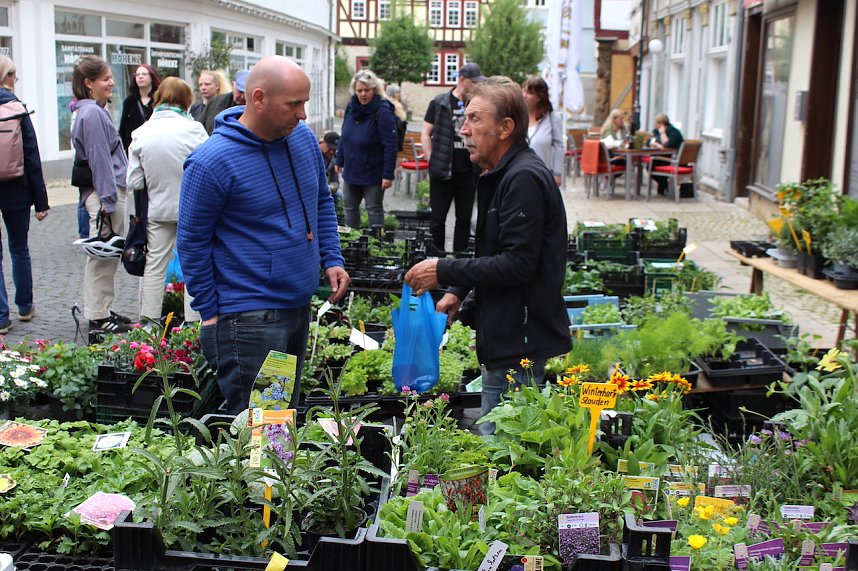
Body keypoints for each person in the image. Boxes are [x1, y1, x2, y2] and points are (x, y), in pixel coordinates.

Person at [177, 56, 350, 415]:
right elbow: (192, 242)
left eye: (304, 102)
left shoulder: (300, 139)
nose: (302, 114)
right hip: (251, 317)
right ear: (258, 98)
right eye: (293, 104)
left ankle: (274, 470)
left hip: (295, 306)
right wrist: (209, 315)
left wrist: (331, 257)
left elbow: (320, 199)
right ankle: (261, 473)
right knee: (263, 426)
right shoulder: (212, 161)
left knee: (278, 420)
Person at [404, 76, 571, 435]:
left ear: (505, 127)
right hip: (507, 333)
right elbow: (494, 251)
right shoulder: (502, 173)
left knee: (504, 450)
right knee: (499, 442)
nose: (463, 129)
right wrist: (459, 290)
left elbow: (519, 264)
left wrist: (443, 270)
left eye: (475, 119)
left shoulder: (522, 178)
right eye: (465, 118)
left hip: (518, 338)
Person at [126, 77, 208, 323]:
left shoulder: (141, 133)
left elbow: (134, 182)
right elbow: (208, 171)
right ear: (186, 102)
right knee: (193, 266)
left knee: (154, 266)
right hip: (192, 211)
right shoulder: (196, 131)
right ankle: (193, 325)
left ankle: (148, 325)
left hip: (158, 210)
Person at [71, 55, 131, 333]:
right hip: (105, 193)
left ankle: (102, 308)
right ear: (89, 83)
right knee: (103, 256)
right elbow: (99, 159)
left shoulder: (89, 110)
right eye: (105, 78)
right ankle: (98, 315)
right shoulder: (92, 113)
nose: (112, 83)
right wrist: (108, 199)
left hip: (102, 191)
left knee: (104, 256)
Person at [0, 55, 50, 334]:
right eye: (12, 75)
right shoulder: (17, 109)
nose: (14, 80)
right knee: (19, 248)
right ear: (5, 77)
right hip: (17, 188)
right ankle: (25, 306)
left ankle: (1, 318)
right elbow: (32, 156)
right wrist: (41, 201)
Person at [422, 63, 484, 254]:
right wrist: (432, 157)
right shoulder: (440, 102)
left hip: (468, 171)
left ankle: (460, 259)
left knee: (464, 219)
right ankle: (436, 259)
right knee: (438, 218)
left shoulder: (478, 104)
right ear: (462, 80)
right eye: (473, 82)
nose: (475, 86)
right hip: (442, 171)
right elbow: (426, 133)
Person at [335, 69, 398, 229]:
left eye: (367, 90)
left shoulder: (382, 111)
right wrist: (340, 158)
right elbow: (345, 135)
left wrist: (387, 174)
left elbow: (390, 145)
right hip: (352, 169)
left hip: (373, 172)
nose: (363, 94)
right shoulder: (351, 107)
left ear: (374, 90)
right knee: (349, 208)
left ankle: (377, 244)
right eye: (359, 91)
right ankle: (352, 244)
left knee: (374, 209)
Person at [522, 76, 564, 187]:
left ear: (539, 97)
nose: (524, 95)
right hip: (520, 174)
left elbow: (559, 146)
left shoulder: (552, 118)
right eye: (524, 90)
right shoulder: (519, 117)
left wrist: (557, 173)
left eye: (529, 93)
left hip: (543, 175)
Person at [118, 64, 161, 152]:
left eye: (144, 74)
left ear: (152, 77)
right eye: (137, 75)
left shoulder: (159, 100)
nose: (140, 77)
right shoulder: (129, 102)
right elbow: (123, 128)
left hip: (155, 148)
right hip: (134, 148)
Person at [201, 69, 248, 135]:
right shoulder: (216, 103)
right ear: (232, 85)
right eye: (240, 91)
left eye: (246, 93)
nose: (243, 97)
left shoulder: (256, 108)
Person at [650, 113, 684, 195]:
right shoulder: (656, 131)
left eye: (656, 123)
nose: (654, 124)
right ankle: (665, 186)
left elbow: (668, 145)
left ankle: (665, 187)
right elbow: (651, 141)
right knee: (650, 165)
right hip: (662, 156)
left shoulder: (673, 132)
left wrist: (662, 134)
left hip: (674, 159)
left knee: (654, 164)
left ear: (661, 123)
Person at [319, 131, 340, 198]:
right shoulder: (314, 153)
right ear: (323, 143)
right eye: (330, 148)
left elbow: (335, 180)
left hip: (326, 190)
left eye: (334, 150)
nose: (331, 152)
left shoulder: (334, 159)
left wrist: (333, 187)